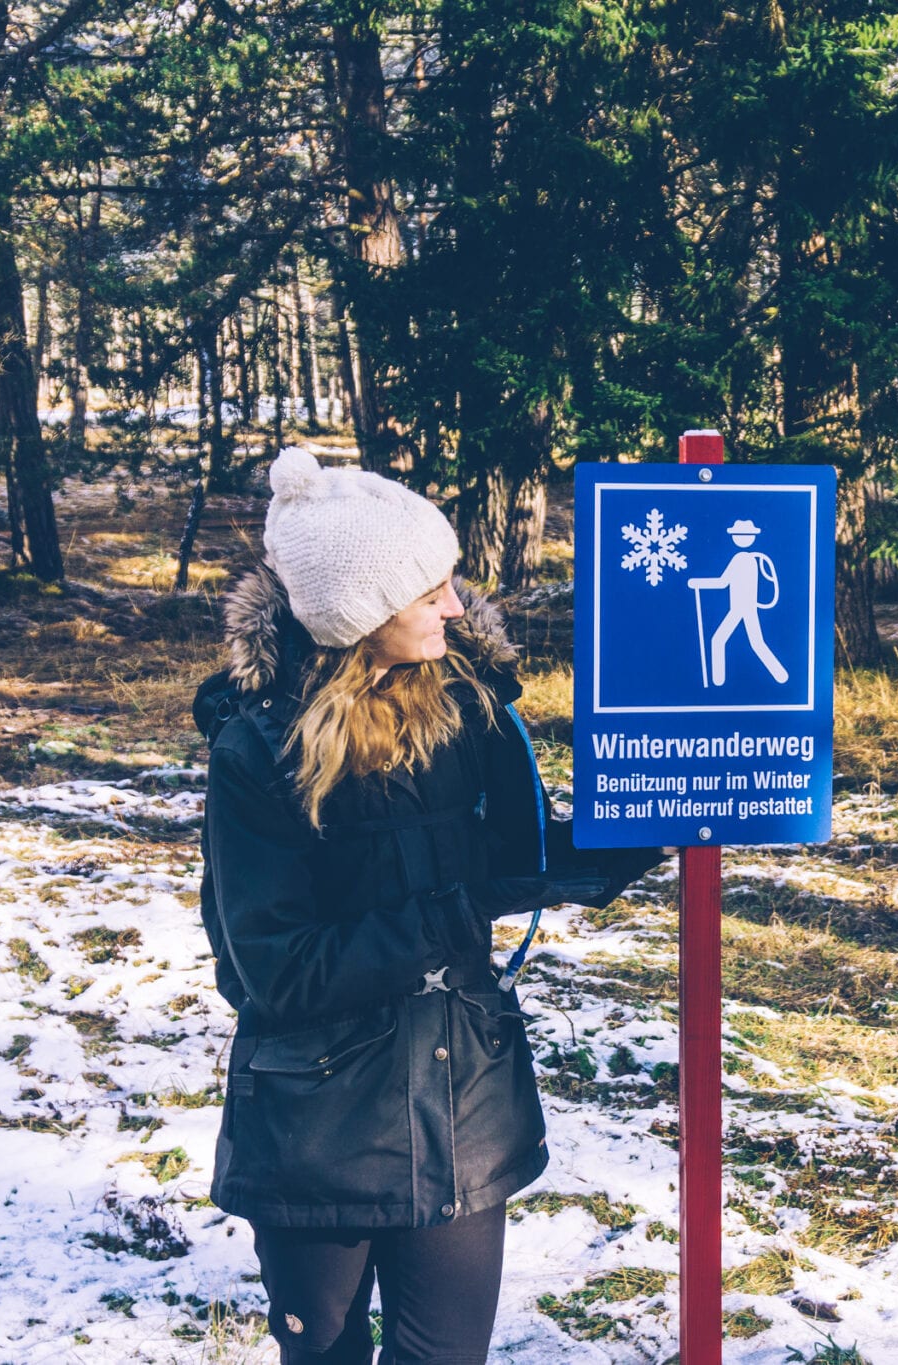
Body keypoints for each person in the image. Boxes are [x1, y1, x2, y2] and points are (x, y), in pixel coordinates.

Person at [192, 448, 661, 1364]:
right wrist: (455, 914)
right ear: (359, 613)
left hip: (461, 1111)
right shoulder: (256, 752)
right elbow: (276, 968)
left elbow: (518, 860)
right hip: (316, 1125)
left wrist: (659, 817)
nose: (455, 604)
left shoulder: (469, 708)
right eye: (430, 591)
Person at [687, 517, 787, 686]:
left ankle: (718, 681)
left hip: (740, 609)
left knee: (719, 640)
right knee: (755, 643)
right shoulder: (751, 559)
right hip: (744, 609)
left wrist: (698, 583)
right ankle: (780, 675)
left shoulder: (741, 559)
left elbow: (722, 582)